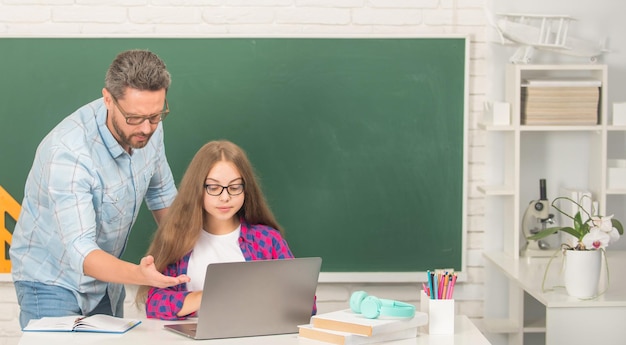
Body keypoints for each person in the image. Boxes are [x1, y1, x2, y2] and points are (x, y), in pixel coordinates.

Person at [10, 49, 190, 329]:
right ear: (108, 99)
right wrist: (143, 276)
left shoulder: (148, 126)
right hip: (51, 282)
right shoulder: (69, 154)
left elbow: (161, 193)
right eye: (135, 118)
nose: (146, 128)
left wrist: (189, 249)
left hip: (105, 283)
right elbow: (81, 251)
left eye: (156, 116)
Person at [136, 140, 314, 320]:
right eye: (213, 188)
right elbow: (155, 304)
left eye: (235, 187)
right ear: (197, 189)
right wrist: (211, 296)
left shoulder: (267, 240)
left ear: (246, 189)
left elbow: (306, 302)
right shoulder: (176, 239)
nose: (225, 197)